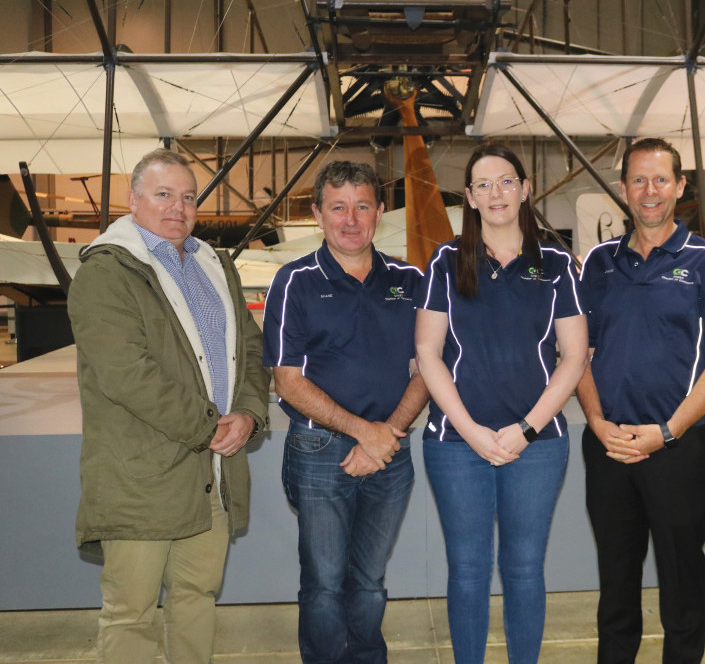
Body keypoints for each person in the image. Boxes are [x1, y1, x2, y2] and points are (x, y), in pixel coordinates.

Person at [68, 148, 271, 664]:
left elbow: (249, 348)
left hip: (213, 471)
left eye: (188, 197)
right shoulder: (106, 272)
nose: (178, 207)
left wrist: (248, 415)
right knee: (131, 615)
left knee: (196, 599)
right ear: (133, 200)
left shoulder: (213, 265)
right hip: (142, 476)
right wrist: (210, 428)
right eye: (163, 195)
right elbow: (126, 374)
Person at [414, 143, 588, 663]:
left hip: (536, 446)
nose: (497, 193)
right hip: (455, 446)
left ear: (525, 189)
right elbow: (427, 351)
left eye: (507, 181)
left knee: (524, 569)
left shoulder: (556, 264)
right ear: (468, 197)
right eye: (484, 185)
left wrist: (527, 430)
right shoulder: (446, 261)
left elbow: (574, 357)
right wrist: (468, 430)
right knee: (467, 570)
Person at [577, 138, 705, 663]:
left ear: (679, 186)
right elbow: (577, 356)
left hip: (679, 447)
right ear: (624, 188)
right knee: (616, 579)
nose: (649, 191)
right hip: (608, 446)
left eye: (660, 180)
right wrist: (599, 422)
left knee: (681, 578)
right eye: (638, 180)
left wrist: (667, 432)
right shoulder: (598, 264)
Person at [262, 161, 428, 664]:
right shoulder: (295, 282)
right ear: (317, 214)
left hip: (391, 455)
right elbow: (287, 381)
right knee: (324, 585)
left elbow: (426, 369)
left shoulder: (409, 279)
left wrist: (388, 435)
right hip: (320, 453)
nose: (350, 219)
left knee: (371, 582)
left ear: (381, 212)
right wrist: (364, 433)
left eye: (362, 206)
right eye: (338, 207)